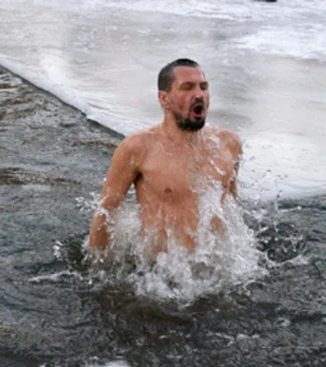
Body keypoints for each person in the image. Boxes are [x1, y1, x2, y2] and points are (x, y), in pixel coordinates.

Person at [88, 59, 243, 262]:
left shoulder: (229, 144)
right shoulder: (138, 147)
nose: (199, 95)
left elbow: (232, 209)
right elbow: (106, 212)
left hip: (212, 267)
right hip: (158, 272)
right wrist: (98, 271)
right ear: (164, 99)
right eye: (187, 88)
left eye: (203, 87)